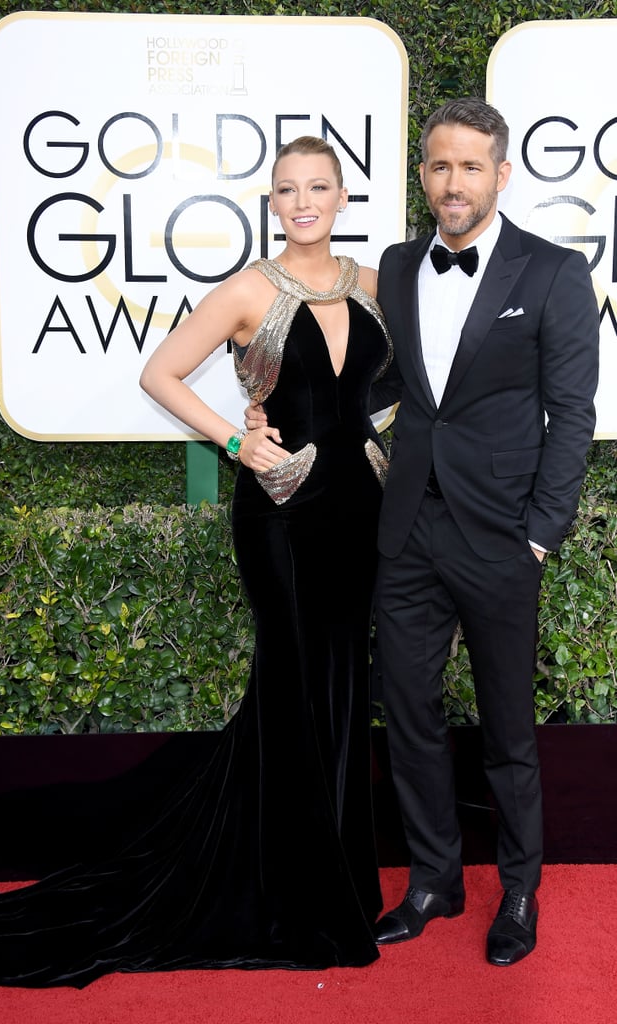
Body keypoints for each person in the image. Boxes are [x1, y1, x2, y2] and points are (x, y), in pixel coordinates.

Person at [0, 136, 393, 987]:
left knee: (342, 686)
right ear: (272, 202)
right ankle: (297, 893)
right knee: (292, 687)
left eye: (317, 187)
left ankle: (336, 880)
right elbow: (161, 372)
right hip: (281, 513)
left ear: (340, 198)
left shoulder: (371, 285)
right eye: (287, 189)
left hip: (359, 517)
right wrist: (235, 439)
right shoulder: (249, 289)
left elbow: (395, 389)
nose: (302, 202)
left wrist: (381, 441)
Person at [367, 97, 599, 966]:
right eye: (438, 165)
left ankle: (519, 891)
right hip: (408, 532)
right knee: (411, 711)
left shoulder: (550, 272)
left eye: (470, 166)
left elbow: (572, 414)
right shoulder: (394, 266)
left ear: (502, 174)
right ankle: (432, 880)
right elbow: (392, 383)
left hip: (502, 535)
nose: (452, 182)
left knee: (506, 727)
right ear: (421, 175)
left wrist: (539, 532)